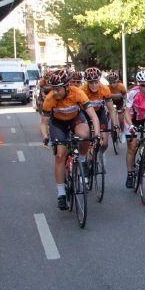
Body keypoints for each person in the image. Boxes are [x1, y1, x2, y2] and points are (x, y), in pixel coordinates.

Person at [39, 69, 101, 210]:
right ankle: (61, 193)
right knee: (60, 155)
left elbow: (93, 116)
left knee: (85, 136)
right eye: (53, 89)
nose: (55, 92)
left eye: (58, 89)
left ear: (67, 87)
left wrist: (97, 133)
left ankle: (83, 160)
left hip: (75, 118)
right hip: (58, 123)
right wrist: (45, 136)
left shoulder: (77, 93)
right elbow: (43, 123)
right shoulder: (50, 99)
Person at [81, 67, 112, 149]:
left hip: (99, 112)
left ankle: (99, 155)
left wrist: (115, 125)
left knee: (104, 143)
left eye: (96, 82)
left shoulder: (105, 89)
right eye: (91, 82)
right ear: (87, 82)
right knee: (85, 138)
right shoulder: (82, 90)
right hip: (85, 113)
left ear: (99, 81)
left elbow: (111, 109)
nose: (94, 85)